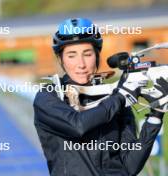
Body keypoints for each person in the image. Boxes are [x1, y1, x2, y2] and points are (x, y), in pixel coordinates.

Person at [33, 18, 167, 176]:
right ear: (61, 59)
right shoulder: (48, 96)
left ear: (97, 56)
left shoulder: (113, 96)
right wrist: (121, 98)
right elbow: (77, 125)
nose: (81, 64)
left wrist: (156, 115)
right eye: (71, 55)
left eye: (87, 54)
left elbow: (129, 167)